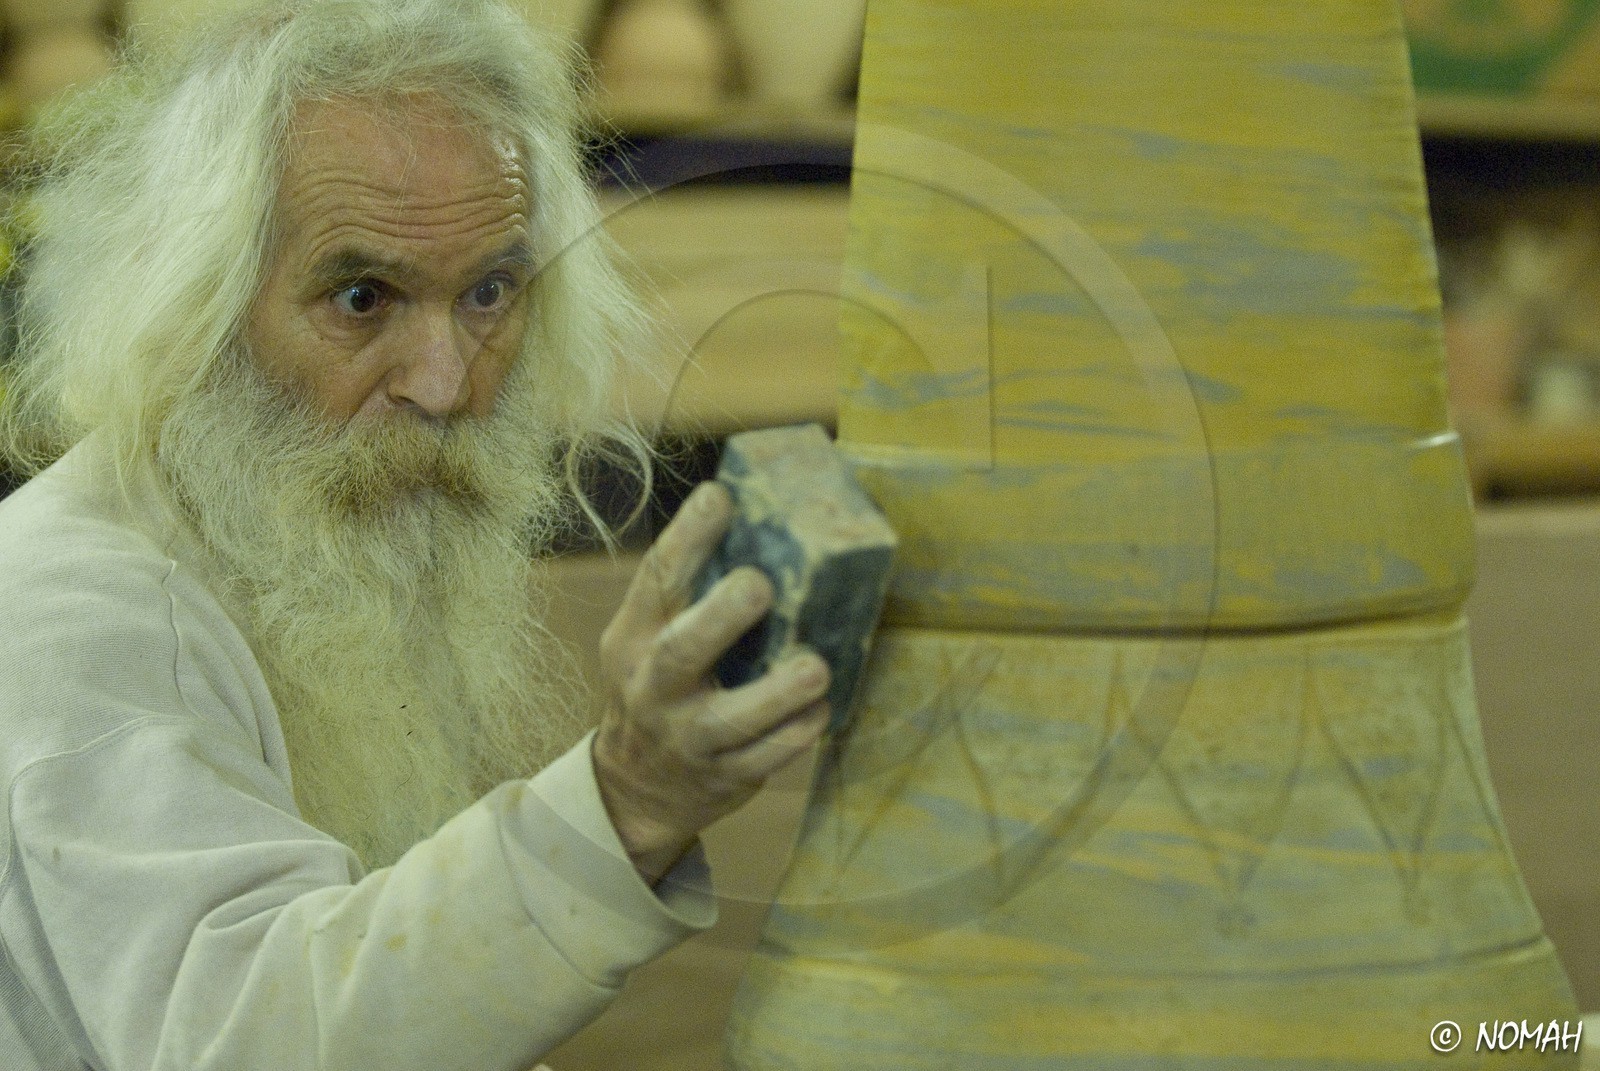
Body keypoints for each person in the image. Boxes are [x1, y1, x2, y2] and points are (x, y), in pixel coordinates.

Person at [0, 1, 831, 1067]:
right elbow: (252, 1041)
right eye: (362, 298)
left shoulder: (297, 549)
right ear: (191, 304)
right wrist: (627, 798)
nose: (445, 383)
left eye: (488, 292)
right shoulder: (80, 619)